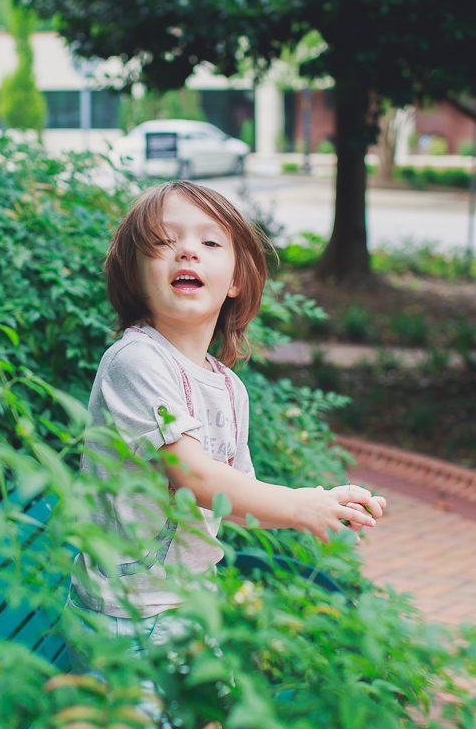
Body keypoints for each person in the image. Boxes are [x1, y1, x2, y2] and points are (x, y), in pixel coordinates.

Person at [70, 179, 387, 638]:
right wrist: (300, 506)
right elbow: (197, 478)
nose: (187, 252)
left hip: (190, 605)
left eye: (210, 241)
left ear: (237, 279)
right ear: (134, 275)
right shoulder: (135, 361)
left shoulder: (228, 388)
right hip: (127, 617)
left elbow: (234, 503)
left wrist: (322, 506)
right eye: (163, 242)